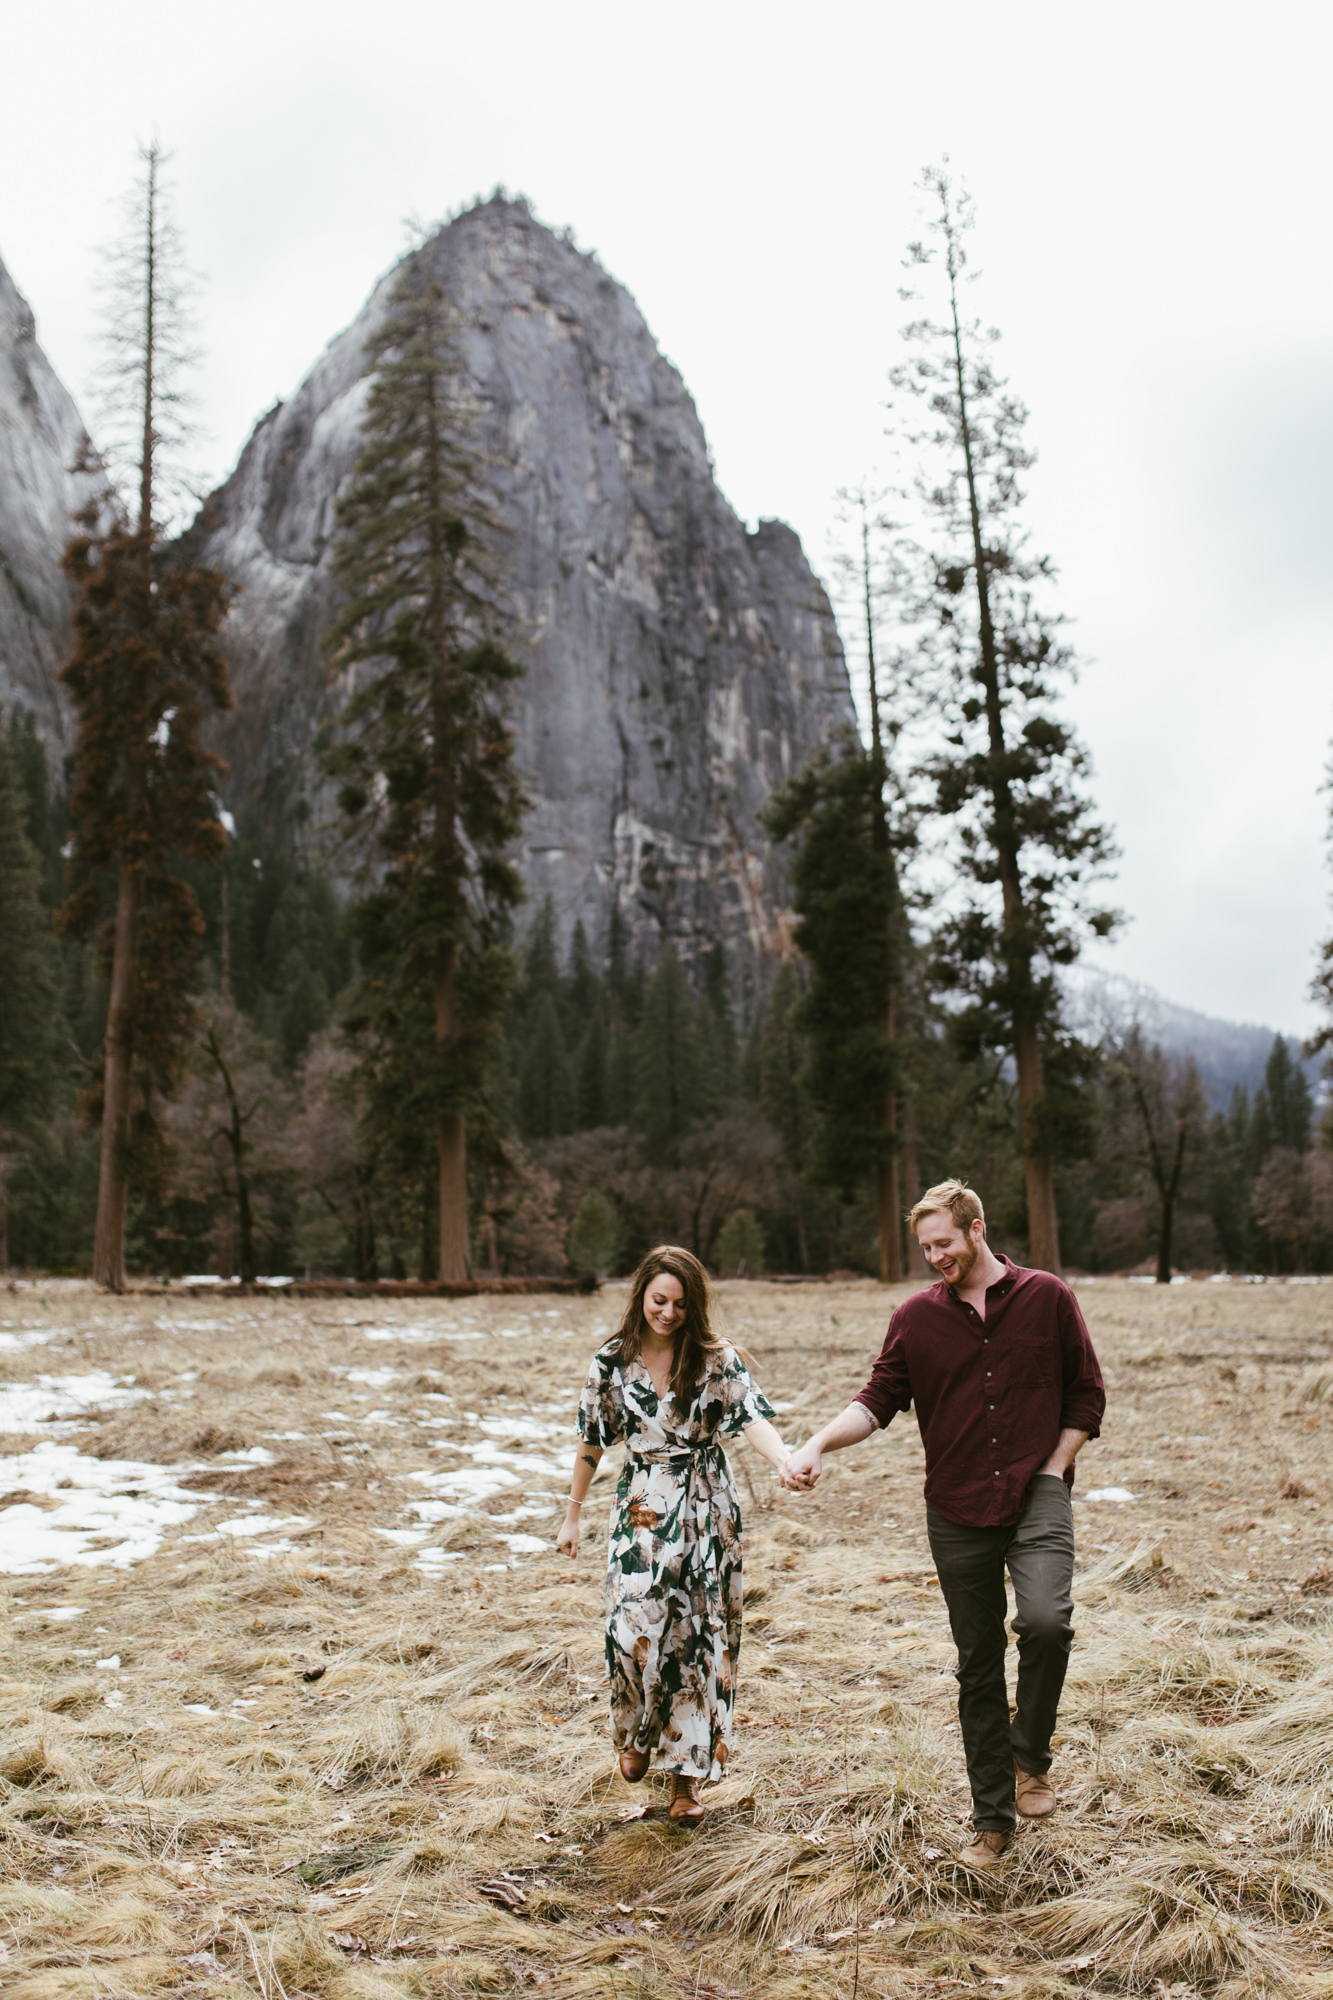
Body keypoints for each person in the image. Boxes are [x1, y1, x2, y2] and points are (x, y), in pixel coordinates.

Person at [781, 1180, 1105, 1868]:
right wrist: (813, 1444)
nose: (935, 1257)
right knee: (977, 1665)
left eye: (944, 1243)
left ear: (976, 1228)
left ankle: (1030, 1757)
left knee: (1046, 1623)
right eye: (925, 1247)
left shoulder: (1046, 1296)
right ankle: (991, 1819)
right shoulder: (914, 1318)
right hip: (955, 1507)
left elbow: (1086, 1392)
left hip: (1036, 1489)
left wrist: (1054, 1467)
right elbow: (875, 1401)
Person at [557, 1244, 793, 1825]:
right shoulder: (610, 1362)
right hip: (642, 1500)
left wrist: (785, 1460)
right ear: (641, 1294)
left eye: (681, 1305)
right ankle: (635, 1730)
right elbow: (592, 1440)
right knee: (630, 1624)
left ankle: (686, 1784)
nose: (667, 1313)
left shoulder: (715, 1358)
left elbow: (752, 1419)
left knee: (696, 1634)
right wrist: (571, 1514)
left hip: (707, 1502)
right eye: (659, 1300)